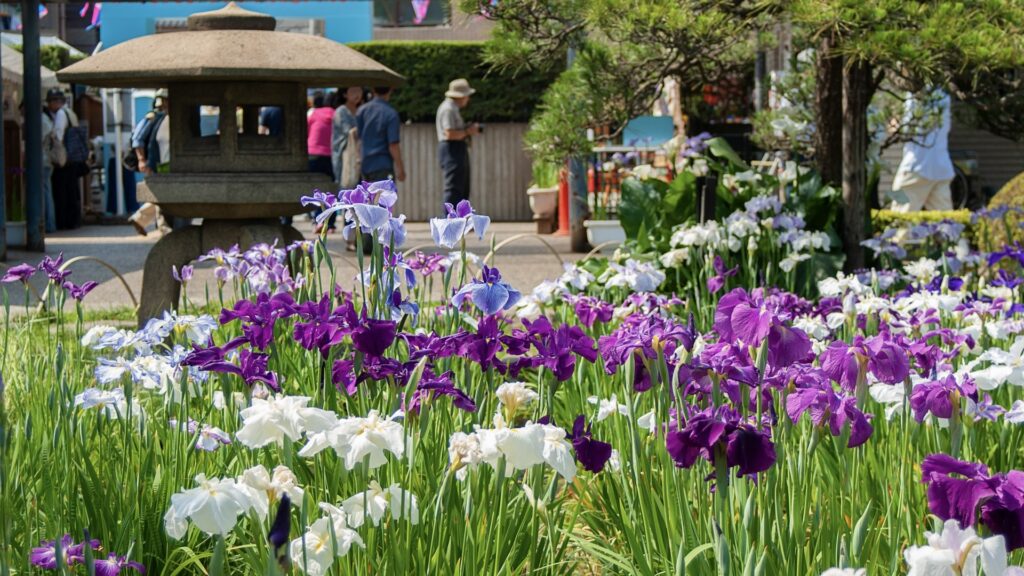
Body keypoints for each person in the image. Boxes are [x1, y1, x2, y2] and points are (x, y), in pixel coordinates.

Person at [890, 89, 955, 212]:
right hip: (941, 166)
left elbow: (905, 131)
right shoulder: (944, 95)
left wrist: (894, 124)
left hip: (915, 167)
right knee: (945, 223)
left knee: (899, 218)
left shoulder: (913, 97)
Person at [127, 89, 171, 236]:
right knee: (160, 194)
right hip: (155, 162)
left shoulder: (168, 117)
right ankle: (163, 227)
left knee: (163, 194)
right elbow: (137, 140)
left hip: (166, 163)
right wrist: (142, 160)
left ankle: (139, 219)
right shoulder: (153, 117)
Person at [436, 79, 480, 208]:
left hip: (456, 148)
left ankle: (460, 221)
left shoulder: (452, 108)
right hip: (451, 149)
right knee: (454, 187)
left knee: (461, 186)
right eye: (467, 96)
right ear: (461, 96)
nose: (468, 99)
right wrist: (468, 131)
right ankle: (449, 221)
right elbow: (449, 133)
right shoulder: (448, 109)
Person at [328, 86, 363, 237]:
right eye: (353, 91)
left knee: (360, 197)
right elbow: (350, 132)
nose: (357, 95)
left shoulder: (362, 110)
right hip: (345, 158)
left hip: (359, 157)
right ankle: (349, 236)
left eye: (359, 91)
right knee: (348, 195)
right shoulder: (341, 111)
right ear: (345, 94)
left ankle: (358, 235)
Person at [45, 89, 82, 230]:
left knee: (62, 191)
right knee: (72, 190)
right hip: (72, 155)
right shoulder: (70, 112)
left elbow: (58, 135)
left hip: (64, 157)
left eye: (50, 101)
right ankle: (73, 220)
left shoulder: (61, 114)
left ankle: (64, 221)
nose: (49, 105)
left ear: (56, 102)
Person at [356, 86, 405, 184]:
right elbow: (393, 145)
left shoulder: (362, 111)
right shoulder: (391, 114)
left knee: (368, 198)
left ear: (373, 90)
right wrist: (400, 168)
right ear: (391, 90)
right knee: (383, 199)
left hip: (365, 165)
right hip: (383, 165)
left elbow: (359, 139)